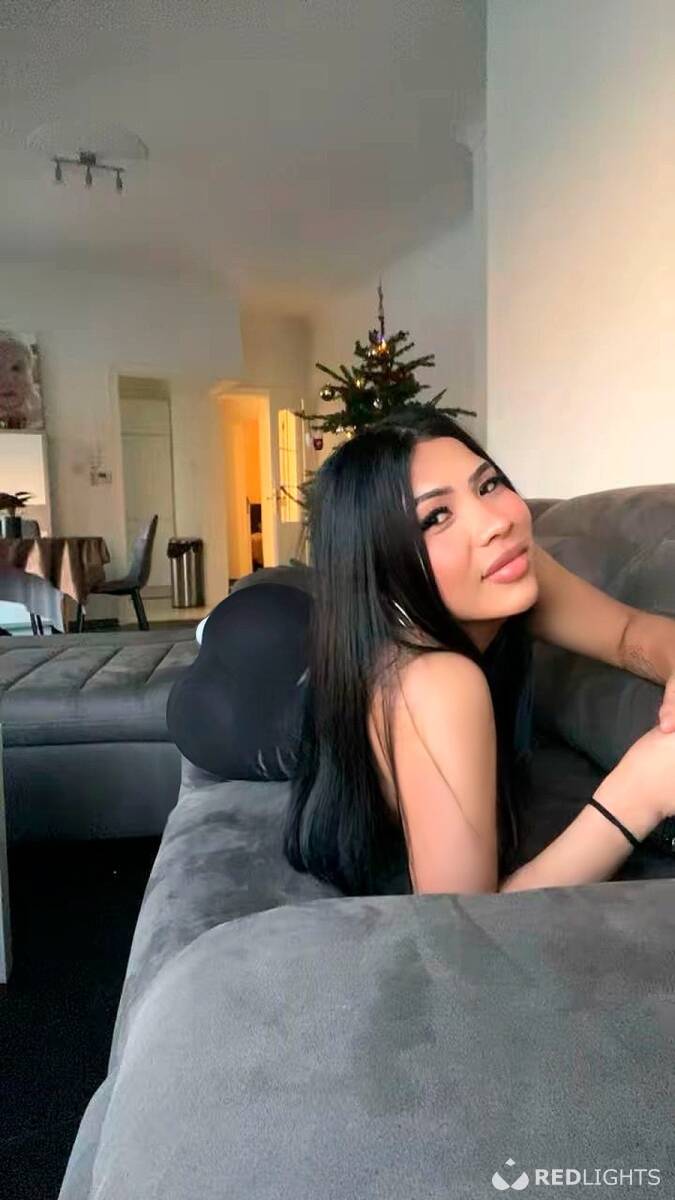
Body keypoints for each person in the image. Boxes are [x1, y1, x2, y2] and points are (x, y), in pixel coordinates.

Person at [283, 408, 675, 896]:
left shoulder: (507, 567)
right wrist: (639, 792)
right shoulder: (436, 682)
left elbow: (627, 632)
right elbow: (463, 923)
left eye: (488, 485)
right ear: (382, 571)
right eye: (436, 516)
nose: (496, 523)